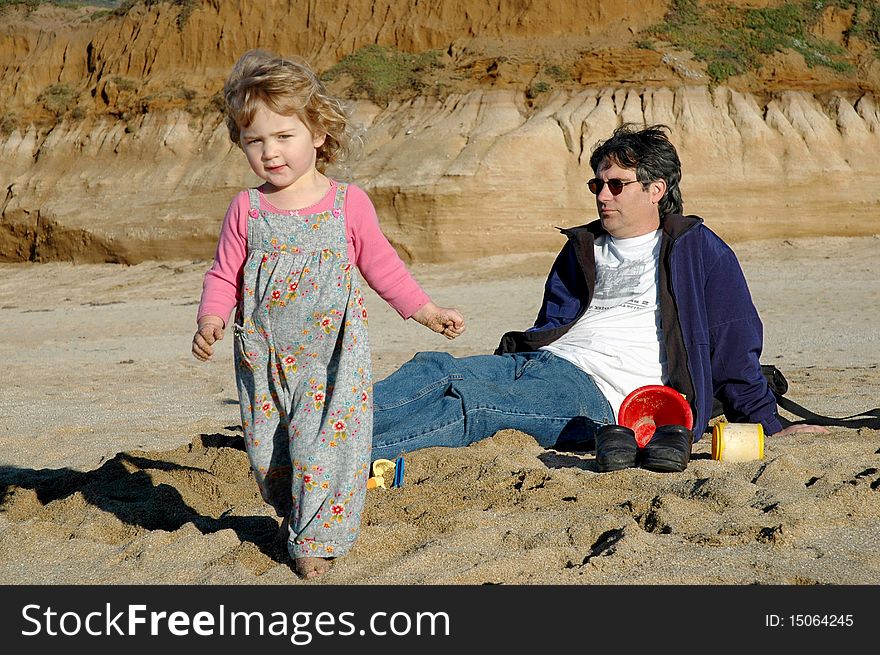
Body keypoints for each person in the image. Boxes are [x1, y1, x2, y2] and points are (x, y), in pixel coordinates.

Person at [371, 124, 825, 466]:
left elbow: (733, 343)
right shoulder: (582, 249)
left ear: (655, 190)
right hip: (540, 362)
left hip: (602, 394)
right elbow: (553, 323)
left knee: (477, 408)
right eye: (597, 185)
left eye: (616, 184)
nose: (602, 196)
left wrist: (768, 422)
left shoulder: (699, 250)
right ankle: (320, 432)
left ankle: (326, 457)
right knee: (436, 368)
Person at [191, 49, 465, 579]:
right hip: (263, 352)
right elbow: (224, 274)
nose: (270, 152)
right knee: (270, 456)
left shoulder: (348, 202)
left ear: (317, 132)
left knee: (329, 446)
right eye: (255, 141)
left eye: (283, 136)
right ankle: (294, 513)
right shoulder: (246, 208)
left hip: (334, 354)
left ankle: (315, 538)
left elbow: (382, 264)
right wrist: (211, 320)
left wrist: (425, 311)